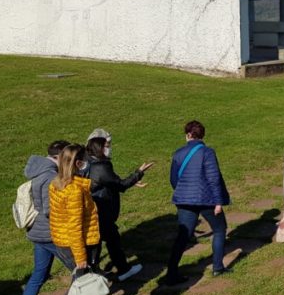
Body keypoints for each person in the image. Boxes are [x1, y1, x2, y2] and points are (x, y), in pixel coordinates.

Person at [42, 144, 102, 295]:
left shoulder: (56, 183)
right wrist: (81, 257)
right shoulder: (74, 191)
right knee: (84, 285)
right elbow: (75, 226)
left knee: (80, 282)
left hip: (62, 241)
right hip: (78, 243)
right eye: (85, 160)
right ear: (78, 163)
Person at [163, 120, 232, 285]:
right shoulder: (208, 152)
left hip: (184, 200)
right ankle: (218, 267)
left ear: (187, 135)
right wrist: (218, 202)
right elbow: (214, 178)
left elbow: (174, 179)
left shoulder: (178, 153)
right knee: (220, 229)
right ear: (202, 135)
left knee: (182, 237)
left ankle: (171, 273)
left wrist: (183, 192)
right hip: (207, 199)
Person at [85, 133, 152, 281]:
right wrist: (138, 173)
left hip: (94, 209)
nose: (109, 149)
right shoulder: (101, 167)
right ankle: (118, 270)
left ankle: (103, 270)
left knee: (103, 241)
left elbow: (111, 182)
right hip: (103, 210)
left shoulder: (87, 162)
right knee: (110, 240)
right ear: (99, 149)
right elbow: (120, 185)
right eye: (107, 146)